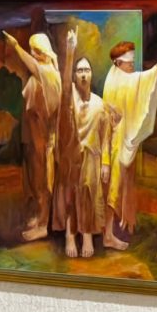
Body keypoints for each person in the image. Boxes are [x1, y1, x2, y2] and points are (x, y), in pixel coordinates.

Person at [101, 41, 157, 250]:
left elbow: (136, 82)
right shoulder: (117, 80)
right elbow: (137, 82)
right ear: (118, 62)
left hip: (119, 138)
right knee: (113, 187)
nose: (132, 65)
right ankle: (108, 235)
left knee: (118, 185)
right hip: (113, 141)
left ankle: (116, 228)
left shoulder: (116, 76)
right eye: (129, 62)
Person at [52, 29, 119, 258]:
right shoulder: (69, 98)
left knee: (89, 193)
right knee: (70, 192)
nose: (83, 74)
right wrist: (70, 51)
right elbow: (64, 90)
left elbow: (106, 137)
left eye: (86, 70)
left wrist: (106, 163)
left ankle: (87, 234)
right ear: (74, 75)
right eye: (79, 70)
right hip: (71, 157)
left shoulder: (100, 105)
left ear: (91, 75)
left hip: (92, 158)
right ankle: (70, 235)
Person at [1, 30, 63, 242]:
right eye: (32, 50)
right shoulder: (42, 73)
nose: (34, 54)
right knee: (35, 180)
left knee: (43, 180)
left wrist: (16, 46)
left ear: (45, 51)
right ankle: (38, 217)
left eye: (37, 50)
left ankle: (43, 224)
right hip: (34, 132)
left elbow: (33, 67)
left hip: (42, 134)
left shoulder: (48, 73)